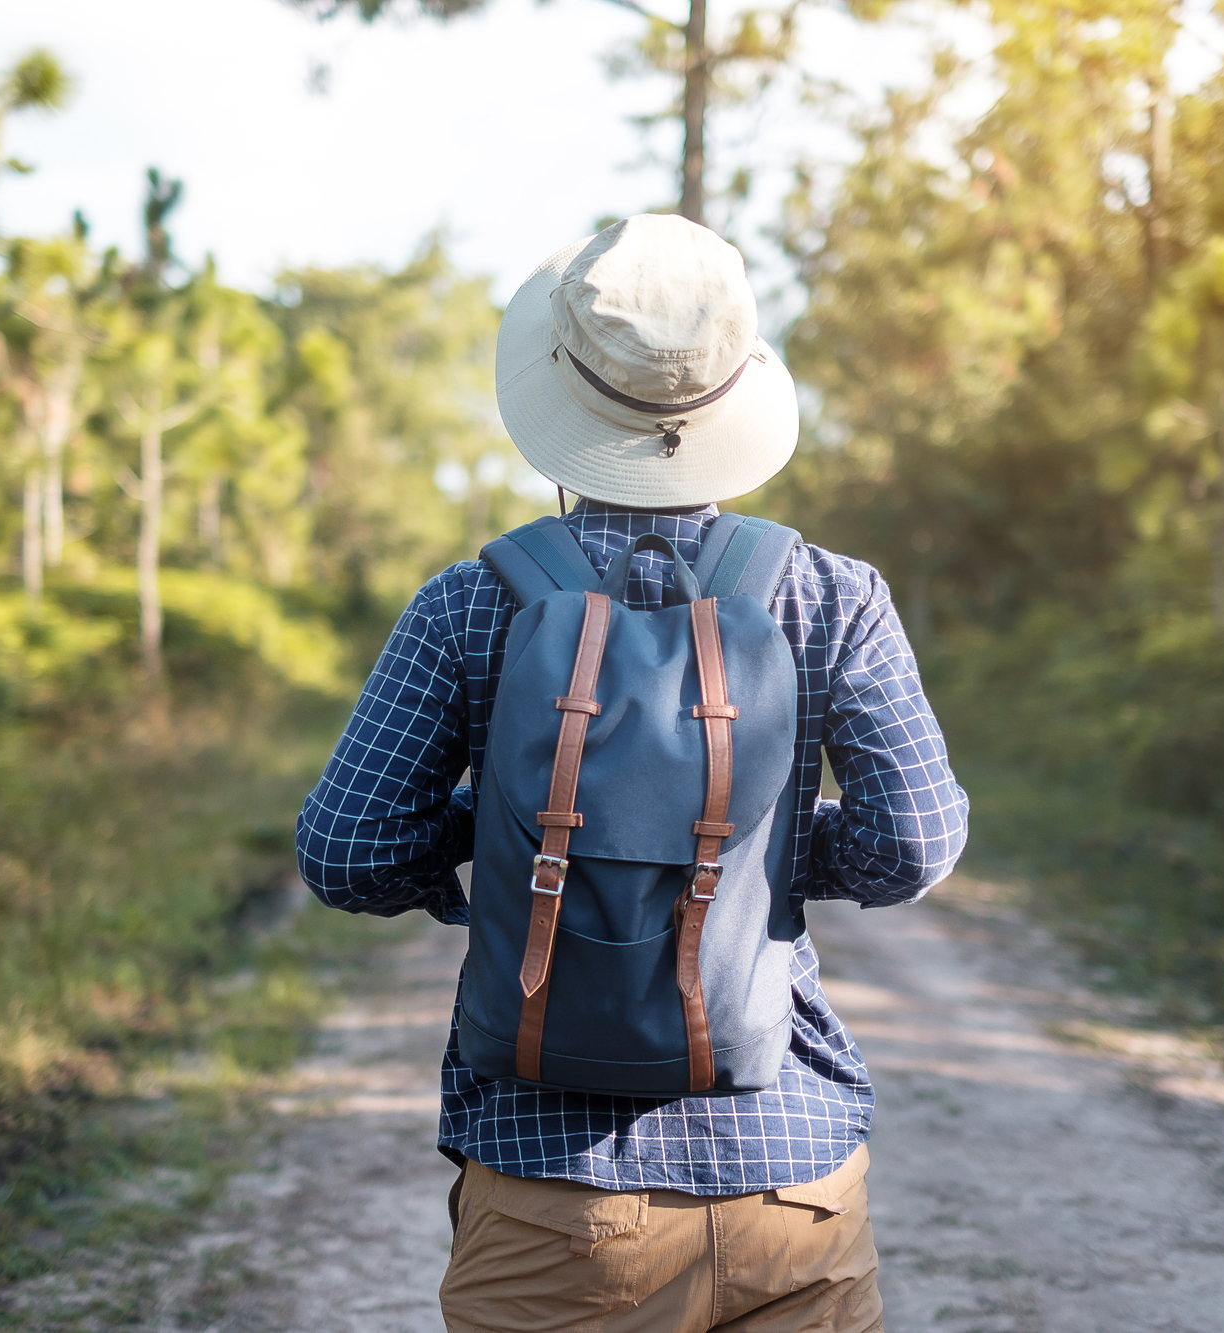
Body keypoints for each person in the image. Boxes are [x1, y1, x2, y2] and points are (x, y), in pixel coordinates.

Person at [296, 213, 968, 1333]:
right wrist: (759, 848)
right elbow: (913, 841)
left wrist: (503, 833)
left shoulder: (471, 604)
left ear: (562, 396)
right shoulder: (832, 594)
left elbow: (348, 847)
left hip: (553, 1195)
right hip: (789, 1182)